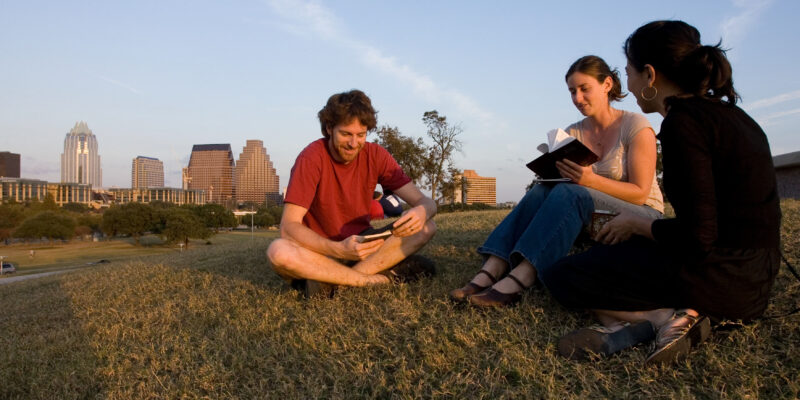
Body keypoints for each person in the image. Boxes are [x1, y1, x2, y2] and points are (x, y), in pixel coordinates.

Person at [548, 20, 781, 365]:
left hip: (721, 280)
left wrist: (637, 225)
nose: (627, 82)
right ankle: (648, 322)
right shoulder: (734, 116)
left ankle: (662, 319)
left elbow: (698, 236)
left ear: (650, 76)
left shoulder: (683, 124)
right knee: (619, 256)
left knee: (562, 276)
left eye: (629, 73)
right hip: (756, 281)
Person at [449, 55, 664, 307]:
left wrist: (589, 180)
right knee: (544, 189)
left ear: (607, 85)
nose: (578, 99)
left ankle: (521, 277)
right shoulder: (573, 131)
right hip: (592, 218)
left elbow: (639, 193)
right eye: (572, 92)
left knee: (572, 193)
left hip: (639, 217)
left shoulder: (635, 125)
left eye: (585, 89)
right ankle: (493, 267)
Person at [267, 90, 437, 297]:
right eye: (346, 134)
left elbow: (425, 201)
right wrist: (338, 249)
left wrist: (422, 210)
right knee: (279, 252)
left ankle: (336, 282)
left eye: (361, 135)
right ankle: (373, 278)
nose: (353, 143)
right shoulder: (311, 158)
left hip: (362, 244)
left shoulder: (376, 155)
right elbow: (288, 226)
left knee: (426, 227)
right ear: (329, 128)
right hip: (320, 249)